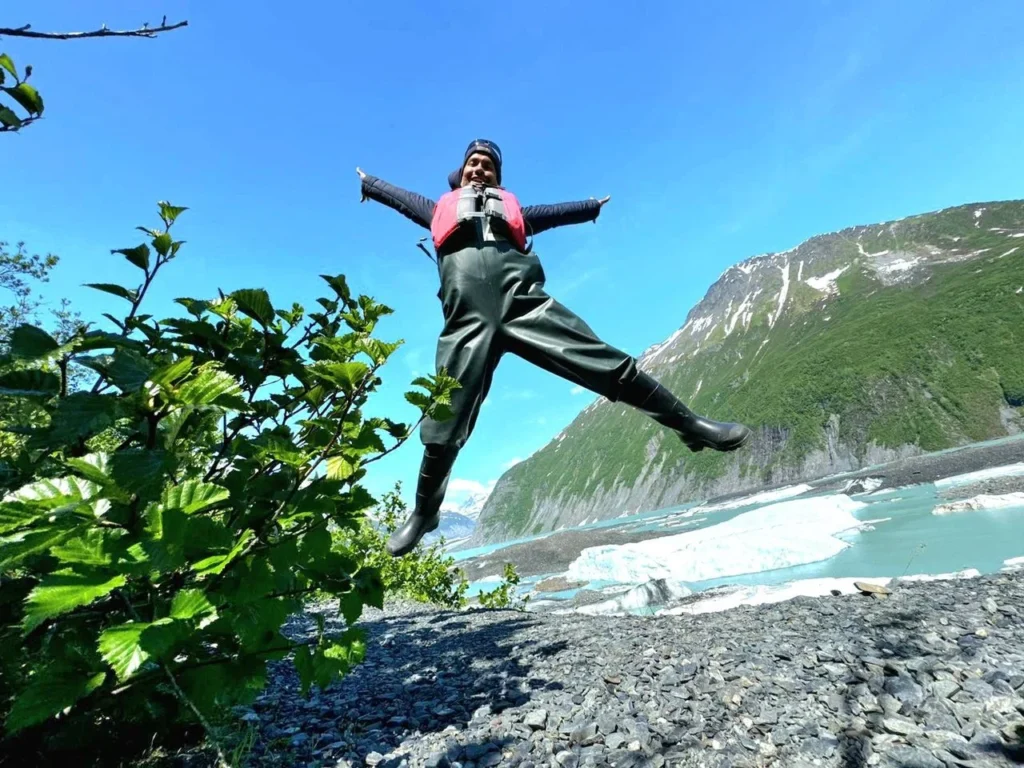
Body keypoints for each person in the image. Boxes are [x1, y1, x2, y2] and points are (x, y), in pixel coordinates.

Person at [357, 139, 752, 557]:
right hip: (468, 321)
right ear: (461, 172)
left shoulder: (517, 215)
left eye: (488, 165)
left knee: (604, 363)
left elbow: (554, 213)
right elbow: (399, 197)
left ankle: (688, 426)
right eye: (473, 163)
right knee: (444, 420)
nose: (479, 169)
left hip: (524, 305)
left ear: (498, 177)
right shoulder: (436, 208)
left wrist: (590, 207)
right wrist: (371, 183)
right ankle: (424, 513)